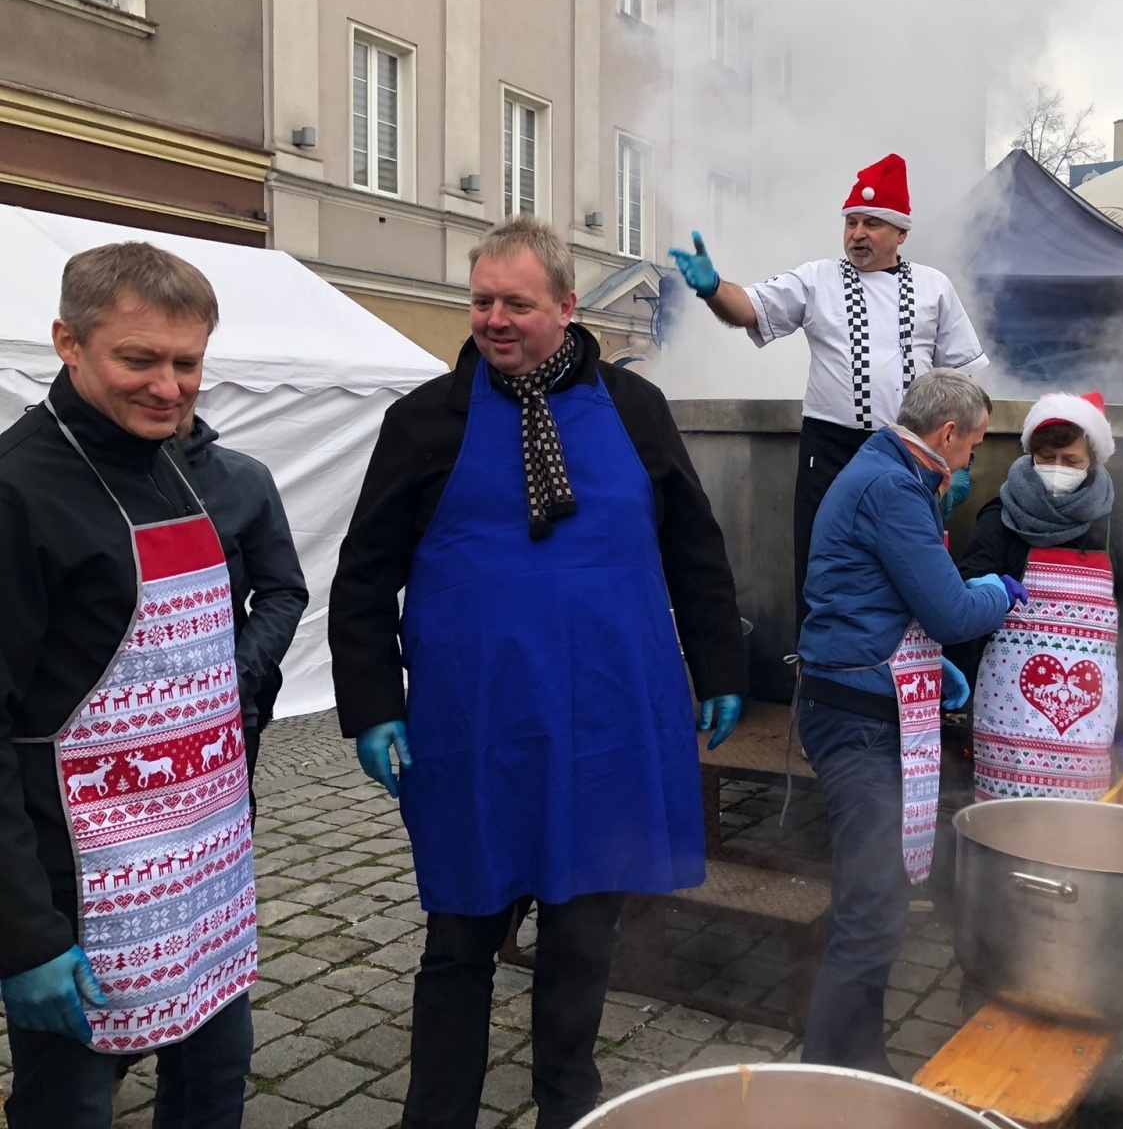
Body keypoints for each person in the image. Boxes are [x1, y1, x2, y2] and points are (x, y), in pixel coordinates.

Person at [328, 216, 746, 1129]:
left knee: (582, 938)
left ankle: (570, 1106)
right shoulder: (424, 423)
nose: (494, 319)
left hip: (607, 723)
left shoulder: (636, 411)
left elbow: (694, 548)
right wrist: (371, 705)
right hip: (476, 726)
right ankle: (437, 1116)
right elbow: (363, 574)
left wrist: (720, 664)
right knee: (460, 936)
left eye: (517, 302)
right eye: (482, 301)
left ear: (565, 306)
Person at [0, 243, 256, 1129]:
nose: (169, 386)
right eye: (139, 359)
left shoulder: (179, 463)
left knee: (213, 1089)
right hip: (83, 890)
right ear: (69, 342)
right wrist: (24, 938)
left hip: (204, 873)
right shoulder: (18, 491)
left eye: (188, 363)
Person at [794, 368, 1017, 1073]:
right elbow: (950, 610)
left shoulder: (887, 471)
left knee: (878, 900)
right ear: (947, 434)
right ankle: (829, 1078)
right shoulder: (893, 487)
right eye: (974, 447)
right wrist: (998, 592)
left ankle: (859, 1060)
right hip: (856, 715)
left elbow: (891, 600)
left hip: (864, 698)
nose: (970, 462)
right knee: (870, 905)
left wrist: (921, 664)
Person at [669, 153, 988, 627]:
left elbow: (961, 382)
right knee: (819, 568)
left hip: (910, 455)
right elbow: (750, 308)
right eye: (851, 221)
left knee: (912, 571)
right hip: (830, 449)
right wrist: (714, 287)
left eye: (872, 223)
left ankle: (905, 681)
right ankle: (814, 681)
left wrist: (961, 462)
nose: (857, 232)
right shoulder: (816, 278)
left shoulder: (934, 286)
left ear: (901, 233)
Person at [955, 391, 1123, 800]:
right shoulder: (1000, 520)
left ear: (1092, 464)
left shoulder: (1111, 530)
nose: (1056, 469)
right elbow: (963, 606)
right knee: (1004, 828)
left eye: (1071, 462)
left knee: (1076, 834)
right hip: (1007, 730)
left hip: (1088, 729)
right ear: (1031, 455)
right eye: (1046, 458)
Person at [176, 411, 308, 818]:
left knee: (221, 850)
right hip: (102, 726)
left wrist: (237, 677)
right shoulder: (62, 479)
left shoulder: (243, 479)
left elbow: (283, 590)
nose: (166, 386)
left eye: (184, 365)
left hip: (225, 713)